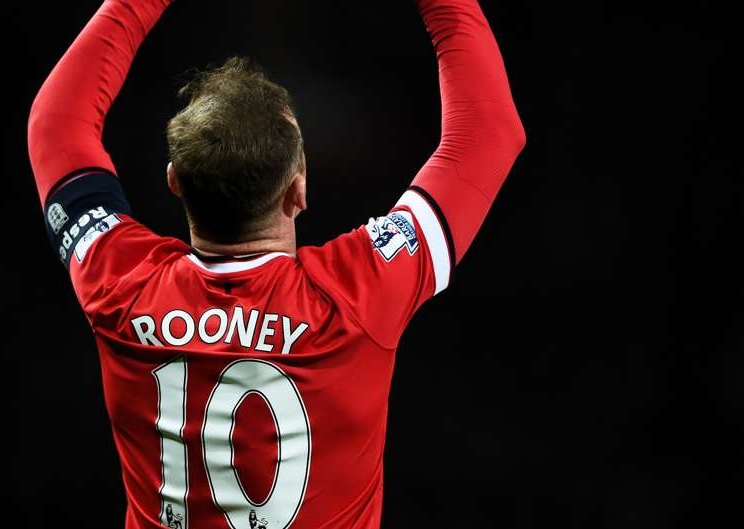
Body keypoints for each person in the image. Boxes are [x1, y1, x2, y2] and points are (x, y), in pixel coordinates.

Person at [27, 0, 525, 527]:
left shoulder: (119, 284)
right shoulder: (355, 295)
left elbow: (55, 126)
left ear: (175, 182)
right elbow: (489, 131)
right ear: (299, 187)